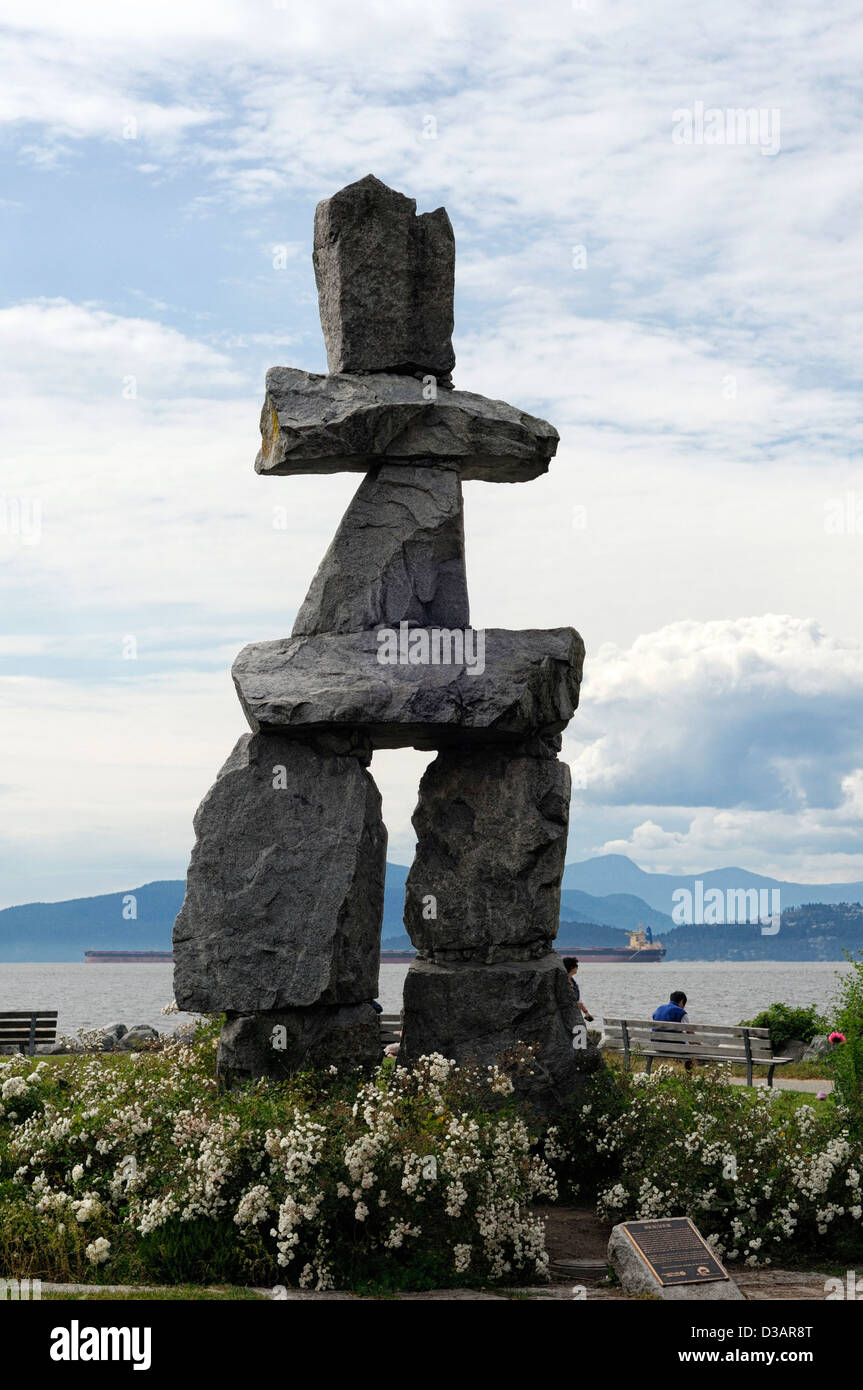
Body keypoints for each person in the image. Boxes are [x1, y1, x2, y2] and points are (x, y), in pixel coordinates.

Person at [652, 990, 693, 1068]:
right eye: (684, 1004)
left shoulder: (659, 1009)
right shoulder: (681, 1012)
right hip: (674, 1047)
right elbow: (691, 1036)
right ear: (681, 1002)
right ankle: (689, 1074)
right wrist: (700, 1044)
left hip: (657, 1045)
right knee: (690, 1047)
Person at [562, 956, 594, 1023]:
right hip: (566, 1016)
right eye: (576, 966)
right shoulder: (563, 982)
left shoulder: (573, 981)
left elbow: (579, 1000)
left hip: (575, 1014)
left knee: (580, 1031)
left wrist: (586, 1013)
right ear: (571, 968)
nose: (577, 967)